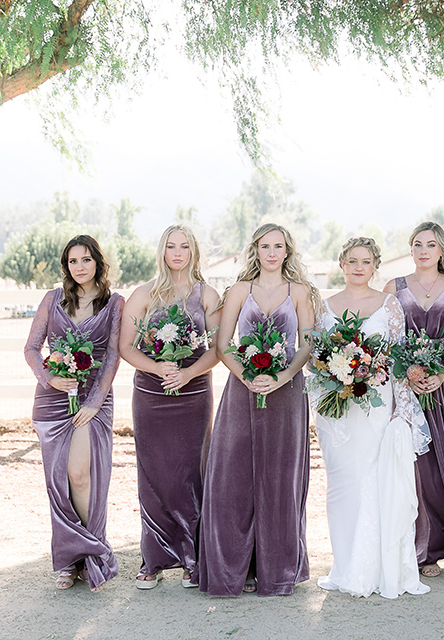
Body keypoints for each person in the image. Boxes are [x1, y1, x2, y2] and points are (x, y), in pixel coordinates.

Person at [198, 223, 318, 597]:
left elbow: (307, 345)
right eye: (264, 246)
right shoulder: (238, 291)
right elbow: (223, 343)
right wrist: (247, 375)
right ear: (256, 250)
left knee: (280, 479)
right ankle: (236, 568)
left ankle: (277, 570)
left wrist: (280, 378)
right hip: (241, 391)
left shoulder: (300, 293)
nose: (271, 252)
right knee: (234, 478)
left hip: (286, 394)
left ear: (287, 251)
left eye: (277, 246)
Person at [315, 237, 431, 599]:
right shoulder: (325, 306)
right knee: (342, 484)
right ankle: (346, 565)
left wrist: (405, 411)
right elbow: (317, 361)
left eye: (366, 261)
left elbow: (398, 361)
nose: (358, 267)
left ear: (375, 266)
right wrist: (332, 387)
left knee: (377, 481)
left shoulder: (389, 305)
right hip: (339, 410)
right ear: (341, 263)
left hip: (377, 407)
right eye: (352, 261)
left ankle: (379, 568)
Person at [120, 225, 220, 590]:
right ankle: (154, 559)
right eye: (171, 246)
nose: (177, 253)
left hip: (193, 396)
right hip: (151, 394)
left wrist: (189, 372)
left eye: (185, 246)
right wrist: (156, 366)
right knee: (153, 474)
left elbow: (218, 348)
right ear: (162, 251)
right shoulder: (143, 294)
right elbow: (126, 347)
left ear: (194, 251)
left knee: (191, 473)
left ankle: (192, 558)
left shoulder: (207, 295)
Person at [24, 235, 124, 592]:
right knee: (59, 481)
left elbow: (112, 356)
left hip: (92, 399)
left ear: (98, 261)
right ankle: (70, 559)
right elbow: (32, 348)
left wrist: (95, 401)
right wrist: (49, 377)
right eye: (72, 261)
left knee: (82, 477)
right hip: (53, 399)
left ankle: (92, 556)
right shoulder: (52, 300)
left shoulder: (114, 303)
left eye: (85, 259)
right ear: (66, 266)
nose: (79, 267)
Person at [382, 222, 444, 578]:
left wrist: (441, 372)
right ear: (411, 250)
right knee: (413, 464)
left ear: (441, 250)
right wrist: (407, 372)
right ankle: (418, 548)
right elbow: (386, 338)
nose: (424, 250)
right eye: (418, 244)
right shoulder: (394, 287)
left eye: (431, 245)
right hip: (405, 384)